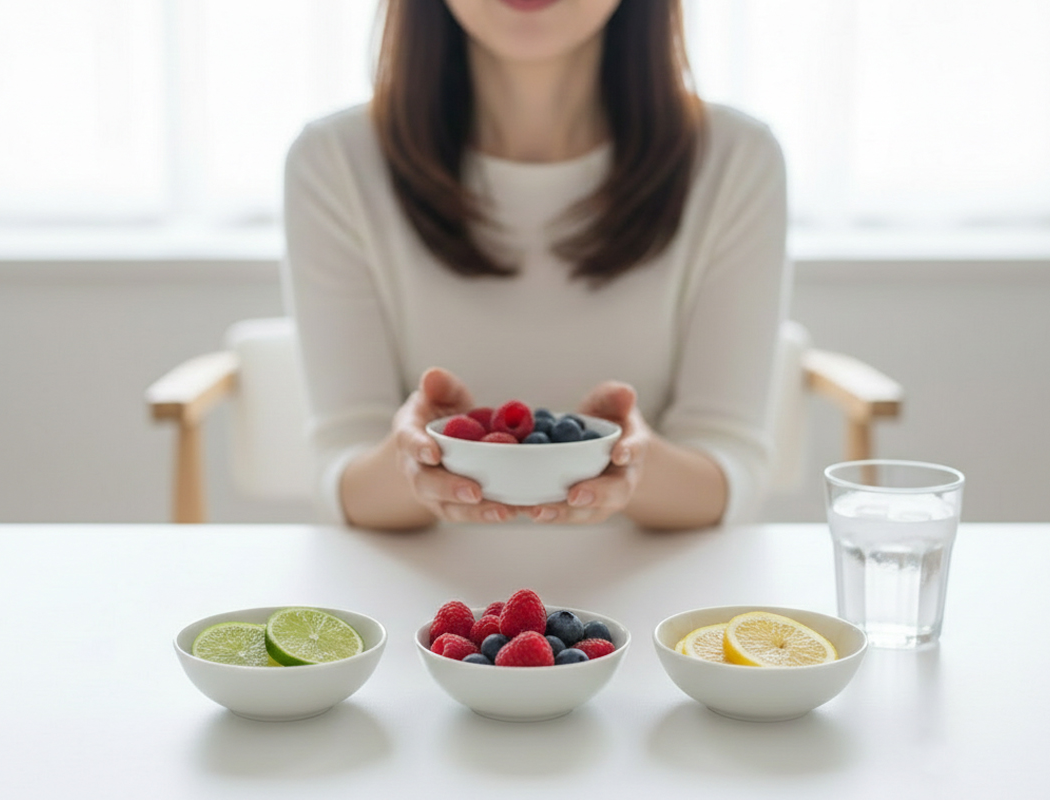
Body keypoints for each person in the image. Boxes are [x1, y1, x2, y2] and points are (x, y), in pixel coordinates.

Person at [282, 0, 789, 531]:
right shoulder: (334, 162)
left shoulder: (735, 159)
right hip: (421, 594)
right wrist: (419, 459)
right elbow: (343, 480)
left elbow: (729, 474)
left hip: (647, 589)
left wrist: (623, 462)